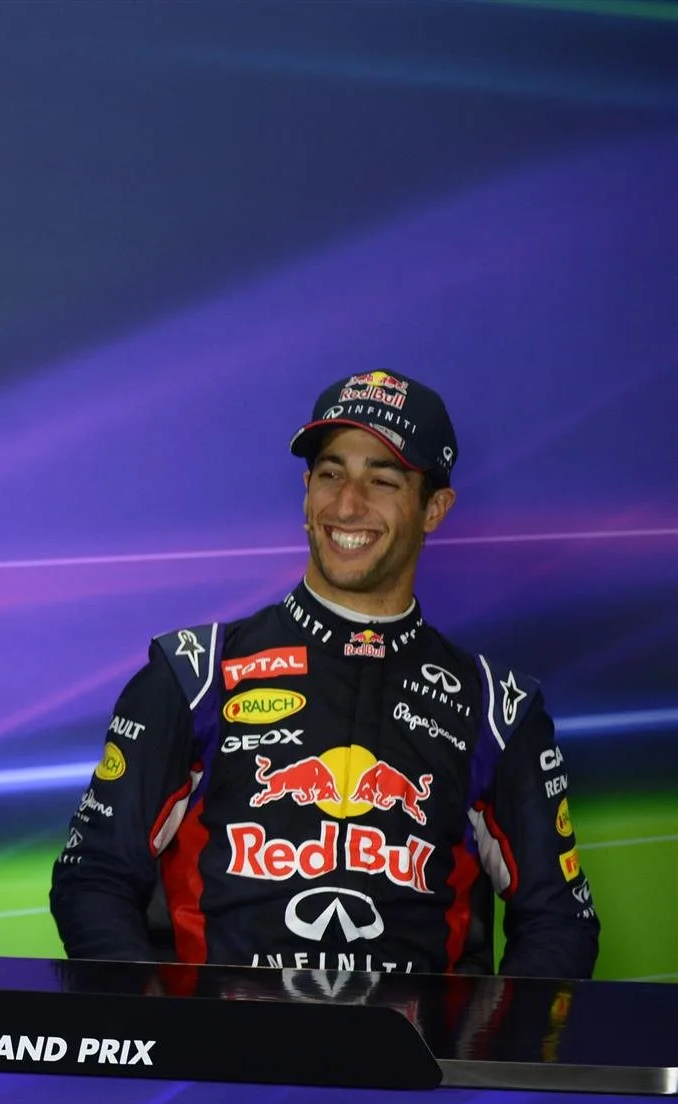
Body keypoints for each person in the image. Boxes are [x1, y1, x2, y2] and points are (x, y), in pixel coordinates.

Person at [50, 370, 598, 977]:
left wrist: (480, 1056)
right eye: (331, 474)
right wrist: (169, 1044)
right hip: (223, 1062)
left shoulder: (499, 707)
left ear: (434, 508)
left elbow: (559, 922)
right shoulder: (194, 673)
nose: (347, 504)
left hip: (408, 1064)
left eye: (383, 480)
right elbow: (92, 877)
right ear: (307, 489)